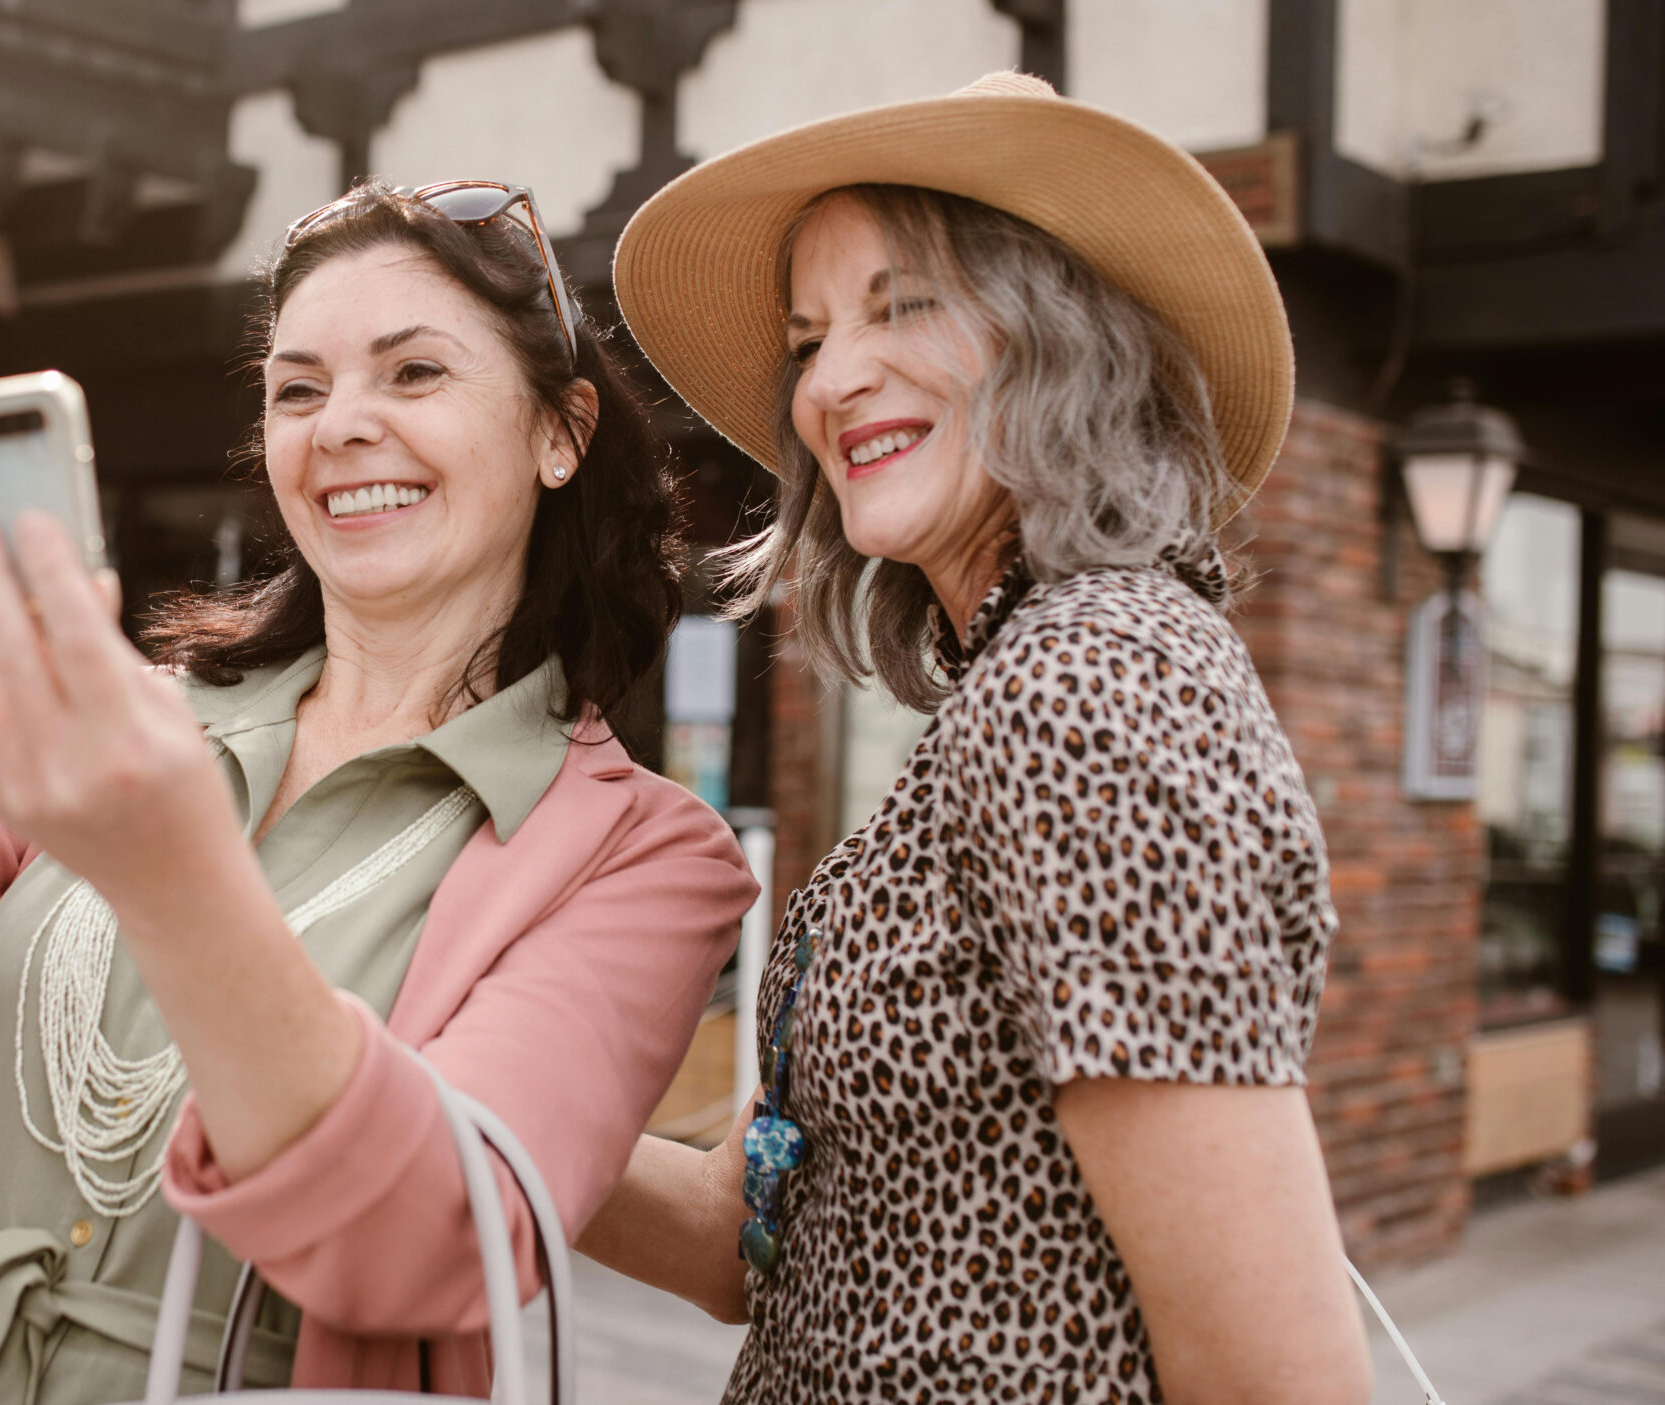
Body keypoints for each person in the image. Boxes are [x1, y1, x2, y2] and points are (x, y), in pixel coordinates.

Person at [0, 178, 758, 1405]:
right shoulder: (145, 721)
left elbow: (427, 1240)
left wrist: (171, 874)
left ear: (560, 432)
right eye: (298, 389)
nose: (340, 427)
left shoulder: (642, 856)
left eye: (414, 374)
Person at [581, 73, 1373, 1404]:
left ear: (1060, 341)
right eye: (811, 335)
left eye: (905, 308)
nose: (832, 379)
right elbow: (756, 1236)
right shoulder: (1021, 685)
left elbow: (1278, 1378)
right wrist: (422, 1095)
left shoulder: (1088, 696)